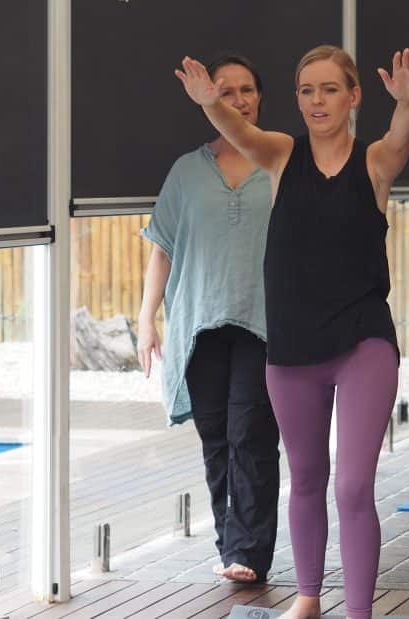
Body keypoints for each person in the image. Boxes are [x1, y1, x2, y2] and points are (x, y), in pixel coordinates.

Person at [175, 44, 409, 619]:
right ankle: (308, 597)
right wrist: (214, 105)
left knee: (353, 488)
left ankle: (358, 612)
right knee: (306, 479)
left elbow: (402, 139)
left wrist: (408, 103)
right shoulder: (283, 155)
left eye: (330, 88)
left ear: (354, 96)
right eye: (307, 90)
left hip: (363, 342)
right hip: (291, 348)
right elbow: (242, 135)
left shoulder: (375, 162)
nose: (317, 100)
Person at [138, 54, 279, 583]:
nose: (237, 99)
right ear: (208, 99)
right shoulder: (186, 170)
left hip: (264, 323)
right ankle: (231, 547)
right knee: (217, 437)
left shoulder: (281, 160)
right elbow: (162, 247)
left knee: (251, 434)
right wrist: (146, 317)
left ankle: (248, 551)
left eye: (246, 89)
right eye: (225, 90)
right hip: (199, 326)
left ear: (259, 97)